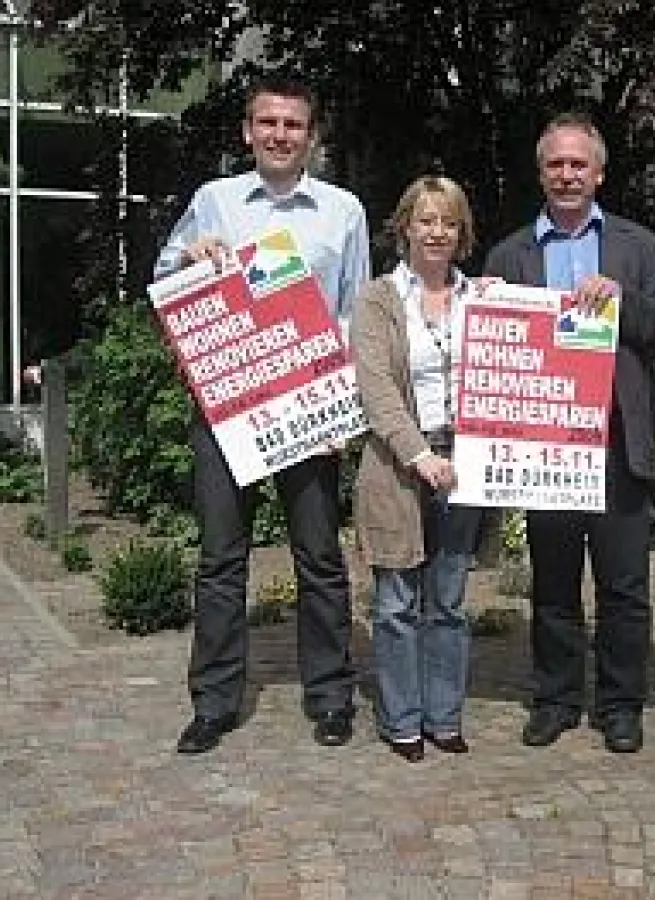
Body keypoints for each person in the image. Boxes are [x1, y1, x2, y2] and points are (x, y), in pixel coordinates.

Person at [154, 76, 370, 754]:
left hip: (307, 410)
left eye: (293, 124)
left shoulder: (343, 212)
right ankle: (214, 702)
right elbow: (163, 284)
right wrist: (189, 256)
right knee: (221, 560)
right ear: (247, 130)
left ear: (312, 135)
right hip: (226, 411)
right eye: (268, 122)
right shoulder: (212, 201)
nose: (280, 134)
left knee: (320, 558)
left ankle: (331, 695)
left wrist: (342, 408)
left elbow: (354, 313)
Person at [483, 113, 655, 753]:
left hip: (617, 442)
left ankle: (621, 706)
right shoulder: (509, 254)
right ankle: (556, 698)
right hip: (546, 449)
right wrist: (478, 306)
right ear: (540, 173)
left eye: (578, 165)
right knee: (554, 585)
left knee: (624, 588)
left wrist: (620, 299)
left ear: (599, 172)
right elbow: (487, 350)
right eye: (555, 165)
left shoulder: (637, 245)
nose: (567, 175)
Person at [351, 175, 484, 763]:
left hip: (466, 462)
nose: (437, 231)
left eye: (448, 221)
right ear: (404, 226)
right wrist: (419, 454)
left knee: (450, 601)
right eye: (426, 220)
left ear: (461, 233)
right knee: (397, 602)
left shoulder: (481, 297)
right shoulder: (378, 299)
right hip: (397, 465)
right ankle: (402, 718)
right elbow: (376, 388)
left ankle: (444, 714)